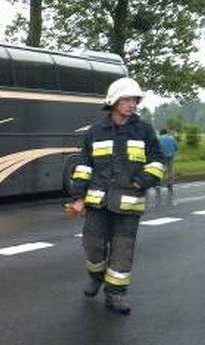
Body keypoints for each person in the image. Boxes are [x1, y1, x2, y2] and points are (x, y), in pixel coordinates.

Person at [69, 77, 164, 315]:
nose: (132, 104)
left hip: (129, 204)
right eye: (127, 99)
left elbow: (157, 162)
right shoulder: (95, 131)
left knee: (122, 251)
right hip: (97, 203)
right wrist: (78, 197)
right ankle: (96, 277)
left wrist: (142, 180)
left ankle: (116, 294)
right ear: (113, 101)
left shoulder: (144, 130)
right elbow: (84, 166)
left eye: (135, 100)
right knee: (92, 245)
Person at [156, 128, 178, 203]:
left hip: (161, 156)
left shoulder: (158, 139)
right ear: (166, 132)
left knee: (160, 169)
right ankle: (170, 183)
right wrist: (173, 152)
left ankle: (159, 183)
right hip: (170, 155)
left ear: (160, 133)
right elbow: (176, 147)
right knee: (170, 169)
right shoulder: (171, 138)